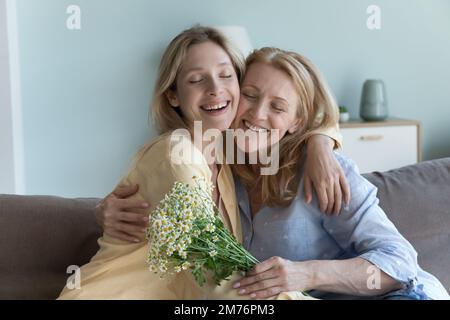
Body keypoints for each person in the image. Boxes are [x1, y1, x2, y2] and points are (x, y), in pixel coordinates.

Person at [58, 26, 342, 300]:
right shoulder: (175, 155)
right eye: (197, 80)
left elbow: (302, 107)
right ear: (172, 96)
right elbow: (218, 270)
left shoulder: (231, 159)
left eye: (226, 75)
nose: (215, 89)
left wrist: (321, 143)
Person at [229, 47, 449, 300]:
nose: (257, 114)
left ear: (297, 122)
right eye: (249, 95)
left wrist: (308, 274)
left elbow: (400, 263)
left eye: (277, 108)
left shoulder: (323, 171)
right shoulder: (221, 172)